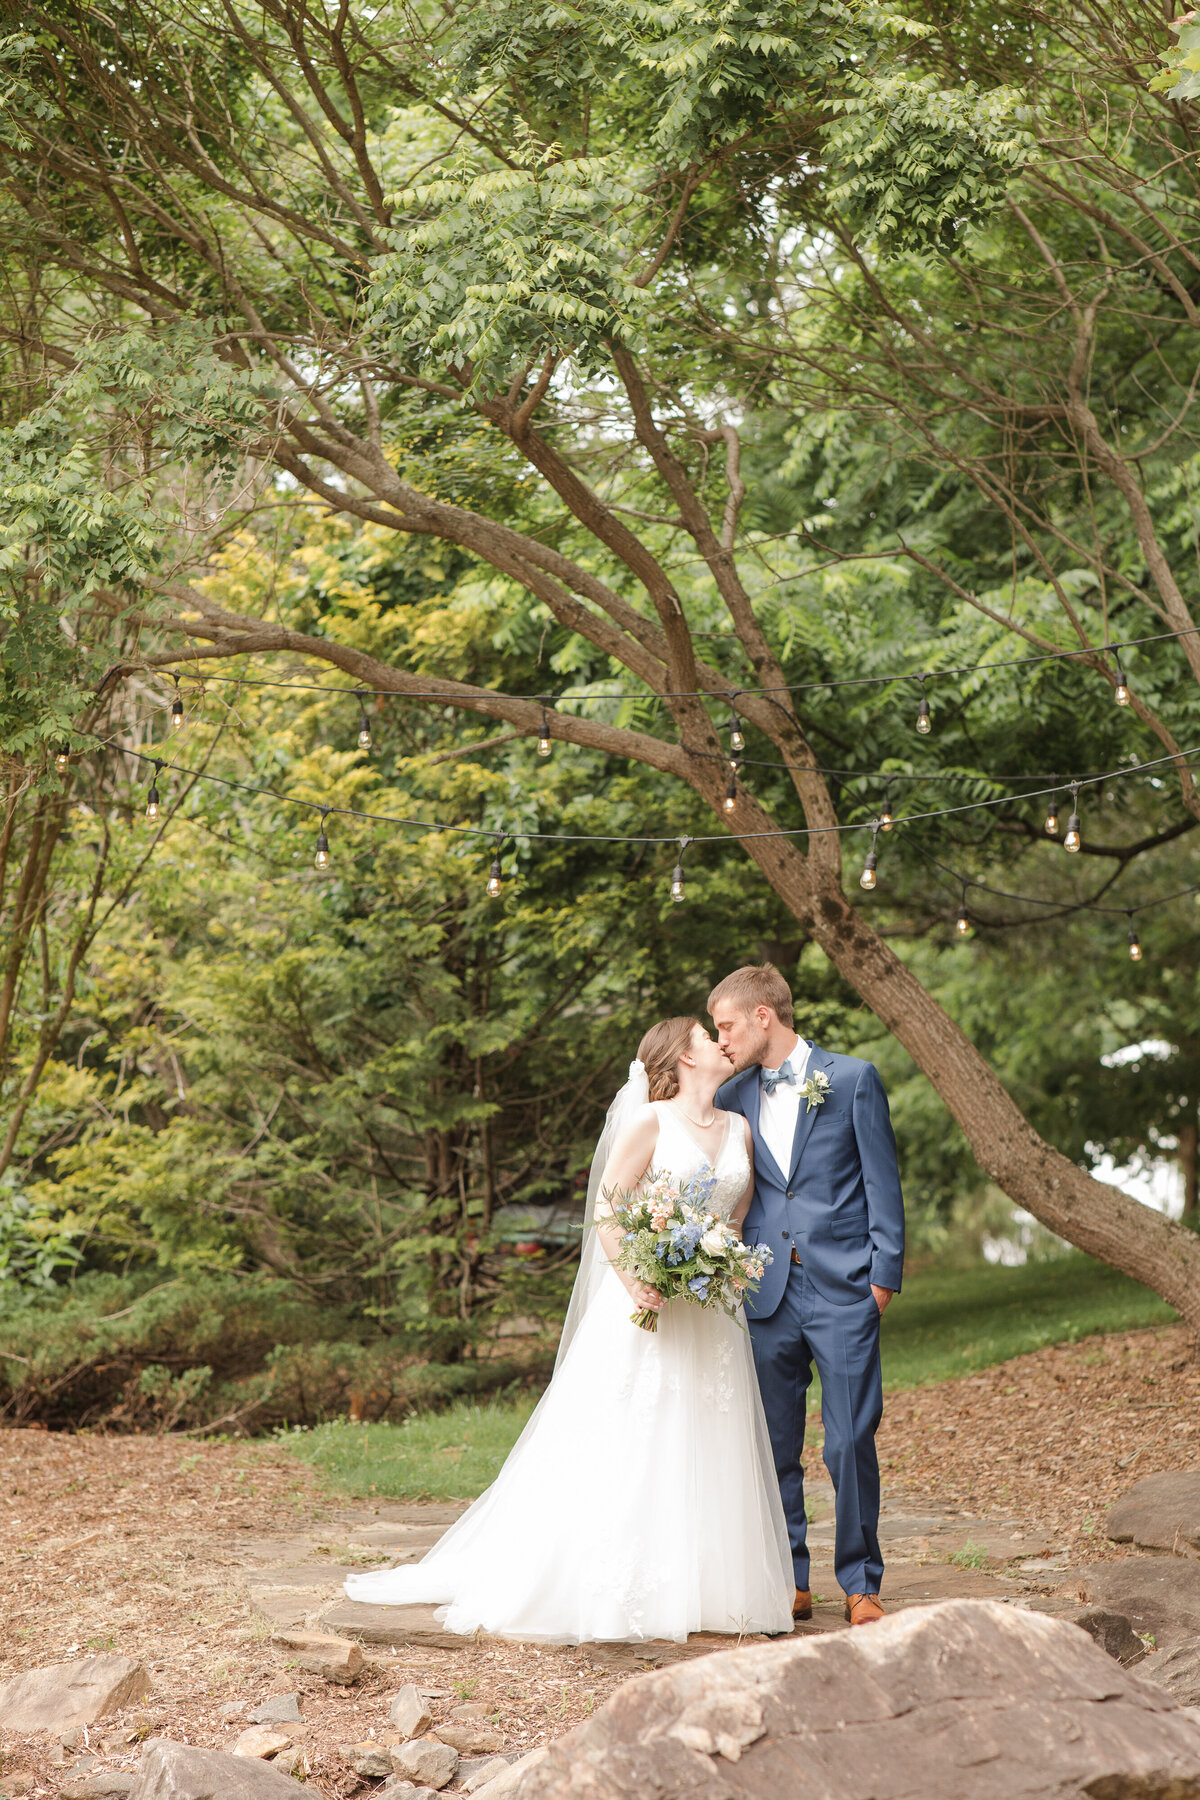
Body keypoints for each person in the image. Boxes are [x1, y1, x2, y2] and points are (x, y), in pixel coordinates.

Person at [342, 1016, 794, 1643]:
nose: (720, 1042)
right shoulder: (650, 1123)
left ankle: (708, 1588)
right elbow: (609, 1207)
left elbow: (737, 1216)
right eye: (704, 1034)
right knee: (641, 1432)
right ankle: (615, 1585)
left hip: (712, 1310)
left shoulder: (739, 1128)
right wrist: (639, 1277)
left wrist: (725, 1264)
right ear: (683, 1059)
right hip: (647, 1303)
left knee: (708, 1436)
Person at [711, 963, 905, 1628]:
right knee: (775, 1443)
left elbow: (882, 1181)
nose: (723, 1038)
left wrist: (883, 1276)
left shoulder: (851, 1079)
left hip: (846, 1286)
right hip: (765, 1292)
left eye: (727, 1025)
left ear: (764, 1015)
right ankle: (790, 1578)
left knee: (850, 1439)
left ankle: (860, 1582)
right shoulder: (733, 1094)